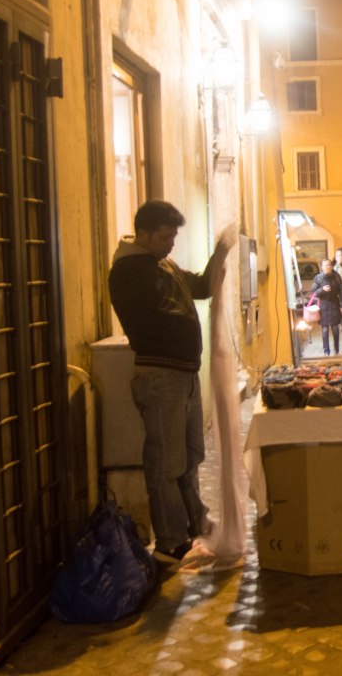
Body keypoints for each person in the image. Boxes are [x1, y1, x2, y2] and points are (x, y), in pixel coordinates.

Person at [108, 200, 233, 563]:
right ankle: (169, 542)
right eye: (165, 236)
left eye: (174, 236)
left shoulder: (162, 263)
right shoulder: (129, 271)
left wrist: (220, 254)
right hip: (160, 376)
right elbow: (162, 317)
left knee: (190, 455)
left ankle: (194, 523)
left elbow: (201, 287)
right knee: (166, 461)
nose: (171, 243)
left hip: (183, 375)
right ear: (143, 235)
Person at [311, 258, 342, 355]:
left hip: (334, 304)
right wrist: (322, 289)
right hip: (323, 305)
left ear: (332, 266)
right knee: (325, 330)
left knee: (335, 329)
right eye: (325, 265)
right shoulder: (318, 278)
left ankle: (336, 349)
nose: (328, 267)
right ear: (322, 267)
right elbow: (313, 293)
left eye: (329, 265)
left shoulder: (336, 277)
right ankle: (326, 351)